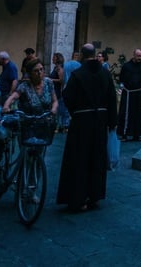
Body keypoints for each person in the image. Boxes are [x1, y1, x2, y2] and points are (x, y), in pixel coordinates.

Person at [56, 43, 117, 213]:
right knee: (96, 158)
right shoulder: (105, 73)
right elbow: (112, 98)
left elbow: (67, 96)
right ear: (95, 54)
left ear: (82, 55)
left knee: (79, 159)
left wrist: (76, 112)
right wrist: (112, 122)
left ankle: (79, 198)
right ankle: (94, 195)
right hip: (100, 122)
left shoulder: (78, 74)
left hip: (82, 122)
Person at [117, 49, 141, 141]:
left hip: (138, 93)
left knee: (138, 114)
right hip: (128, 93)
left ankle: (137, 135)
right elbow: (122, 77)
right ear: (134, 55)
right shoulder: (126, 66)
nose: (140, 58)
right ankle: (124, 134)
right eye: (138, 56)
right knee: (125, 113)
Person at [50, 52, 69, 132]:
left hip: (58, 91)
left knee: (59, 109)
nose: (52, 59)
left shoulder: (59, 68)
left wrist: (51, 80)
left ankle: (59, 127)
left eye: (54, 57)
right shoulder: (55, 67)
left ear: (57, 59)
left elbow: (62, 80)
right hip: (55, 90)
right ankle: (58, 126)